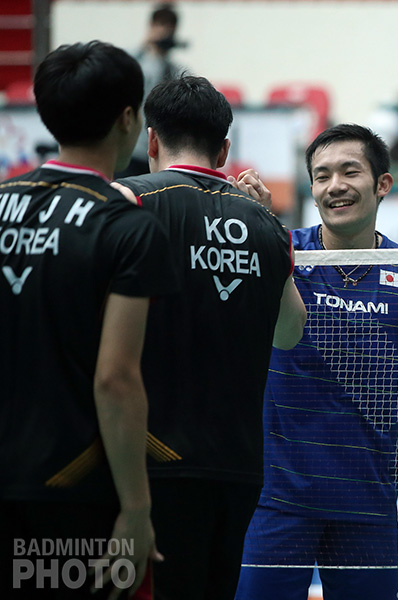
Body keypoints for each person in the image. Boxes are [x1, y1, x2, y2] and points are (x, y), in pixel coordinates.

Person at [114, 75, 307, 600]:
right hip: (238, 468)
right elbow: (290, 333)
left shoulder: (128, 201)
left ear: (152, 141)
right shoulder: (268, 226)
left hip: (147, 464)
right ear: (224, 150)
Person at [236, 124, 398, 600]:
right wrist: (256, 228)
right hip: (278, 495)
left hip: (366, 499)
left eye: (350, 172)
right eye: (322, 175)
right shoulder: (283, 252)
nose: (335, 186)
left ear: (382, 183)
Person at [0, 41, 176, 598]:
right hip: (71, 488)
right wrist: (136, 509)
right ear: (128, 119)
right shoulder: (127, 226)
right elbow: (115, 378)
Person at [117, 3, 185, 178]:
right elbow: (117, 65)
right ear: (152, 26)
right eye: (161, 25)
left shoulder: (173, 69)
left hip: (159, 152)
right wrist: (147, 44)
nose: (165, 32)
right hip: (132, 148)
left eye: (170, 27)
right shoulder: (136, 61)